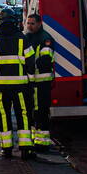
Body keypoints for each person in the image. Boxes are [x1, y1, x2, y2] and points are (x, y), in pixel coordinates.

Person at [0, 8, 36, 160]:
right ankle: (25, 148)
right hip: (21, 86)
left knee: (4, 115)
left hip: (0, 87)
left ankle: (6, 149)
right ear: (15, 21)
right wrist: (30, 81)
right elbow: (31, 62)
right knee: (23, 115)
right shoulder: (22, 39)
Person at [24, 13, 55, 152]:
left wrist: (29, 66)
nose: (29, 26)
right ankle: (34, 140)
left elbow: (45, 60)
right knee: (32, 112)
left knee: (41, 112)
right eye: (28, 23)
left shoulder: (45, 38)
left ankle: (43, 143)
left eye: (32, 23)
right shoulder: (28, 37)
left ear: (39, 23)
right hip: (32, 82)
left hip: (42, 82)